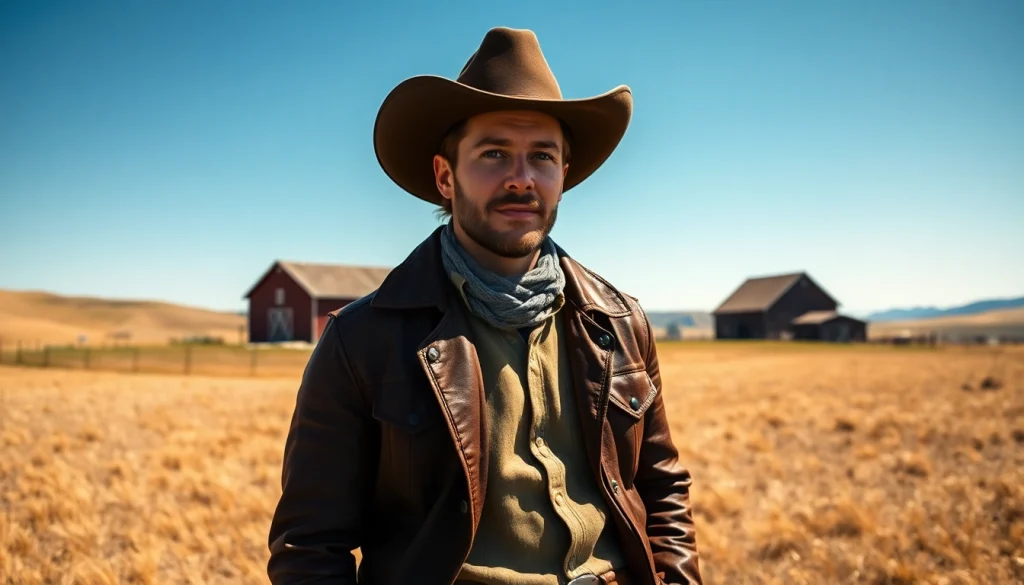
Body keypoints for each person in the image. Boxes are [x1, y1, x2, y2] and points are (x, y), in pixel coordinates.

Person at [267, 27, 702, 585]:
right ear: (445, 177)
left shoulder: (620, 322)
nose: (522, 179)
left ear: (563, 176)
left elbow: (662, 491)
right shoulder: (362, 341)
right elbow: (309, 545)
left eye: (542, 156)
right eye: (494, 154)